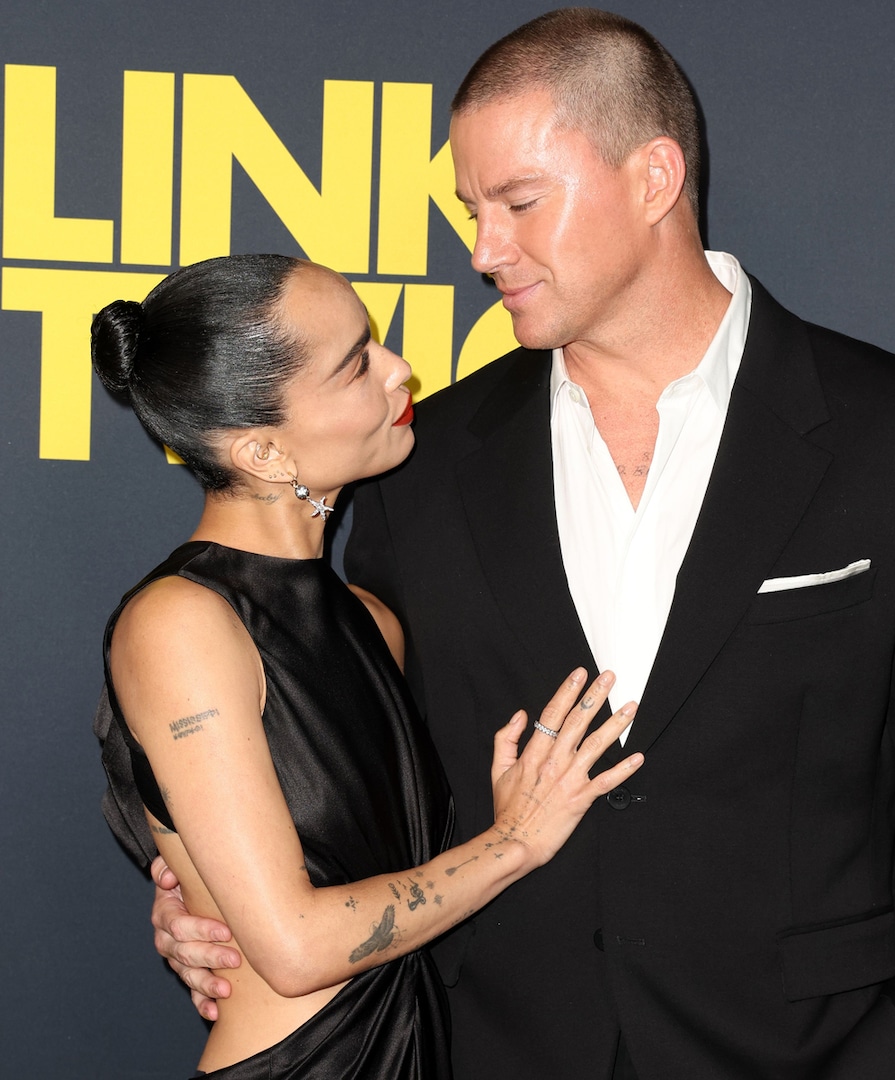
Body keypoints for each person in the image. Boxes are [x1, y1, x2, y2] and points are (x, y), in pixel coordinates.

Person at [151, 9, 895, 1079]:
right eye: (472, 211)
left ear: (654, 177)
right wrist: (213, 890)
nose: (484, 251)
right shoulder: (421, 465)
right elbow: (375, 775)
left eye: (521, 202)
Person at [91, 252, 643, 1078]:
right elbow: (295, 948)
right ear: (264, 452)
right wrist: (514, 841)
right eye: (355, 365)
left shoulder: (374, 623)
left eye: (375, 343)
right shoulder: (180, 624)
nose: (399, 370)